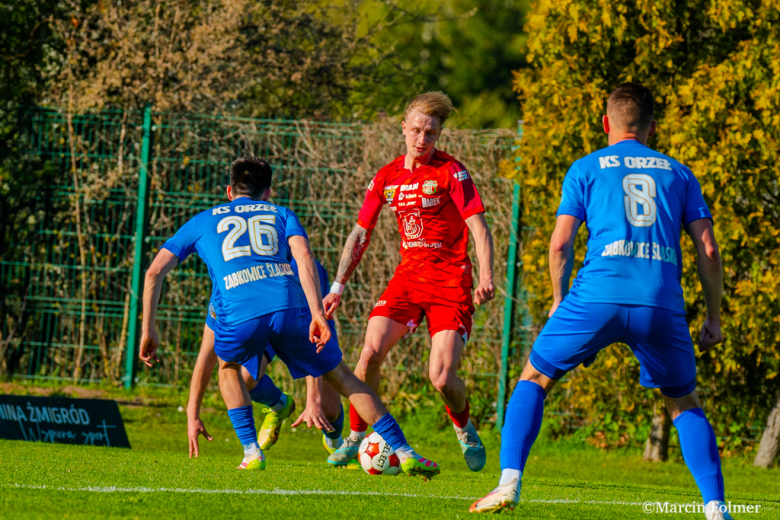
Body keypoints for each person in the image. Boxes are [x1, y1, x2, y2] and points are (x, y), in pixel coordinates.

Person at [470, 83, 730, 519]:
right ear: (652, 128)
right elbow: (709, 251)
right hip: (659, 302)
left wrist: (558, 299)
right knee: (684, 403)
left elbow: (559, 245)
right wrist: (714, 318)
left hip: (596, 296)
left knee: (534, 378)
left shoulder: (586, 168)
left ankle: (508, 484)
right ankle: (716, 509)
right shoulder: (679, 173)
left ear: (606, 123)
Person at [139, 156, 439, 479]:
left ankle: (252, 452)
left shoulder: (202, 221)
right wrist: (317, 314)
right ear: (268, 192)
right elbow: (303, 256)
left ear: (229, 191)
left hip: (239, 311)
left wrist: (149, 329)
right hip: (287, 306)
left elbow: (154, 272)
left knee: (227, 367)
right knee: (343, 378)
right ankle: (403, 450)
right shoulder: (281, 213)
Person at [323, 92, 495, 471]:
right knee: (368, 354)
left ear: (439, 135)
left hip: (450, 282)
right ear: (403, 128)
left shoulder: (452, 172)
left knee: (442, 378)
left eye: (431, 133)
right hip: (408, 279)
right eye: (416, 130)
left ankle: (463, 426)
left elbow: (479, 230)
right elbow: (360, 234)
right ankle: (356, 437)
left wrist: (485, 275)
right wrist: (337, 286)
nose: (422, 139)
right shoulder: (387, 177)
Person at [186, 258, 346, 459]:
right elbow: (207, 354)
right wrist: (192, 414)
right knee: (245, 377)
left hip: (301, 323)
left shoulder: (303, 269)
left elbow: (314, 334)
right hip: (265, 322)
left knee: (328, 409)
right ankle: (280, 405)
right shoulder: (230, 279)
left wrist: (313, 399)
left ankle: (337, 443)